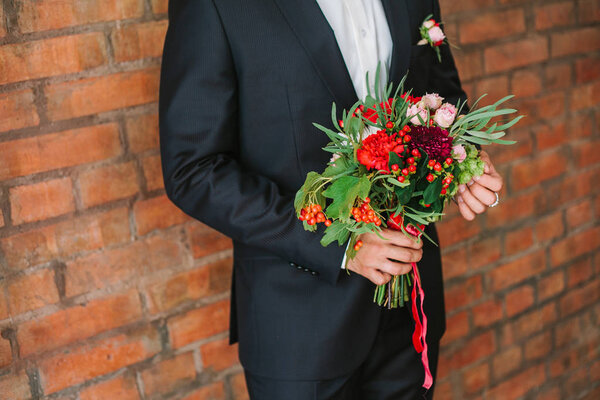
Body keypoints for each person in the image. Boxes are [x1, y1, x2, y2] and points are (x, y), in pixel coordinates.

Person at [159, 0, 503, 398]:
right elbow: (194, 169)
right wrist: (343, 245)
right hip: (300, 331)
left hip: (410, 313)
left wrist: (465, 163)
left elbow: (441, 97)